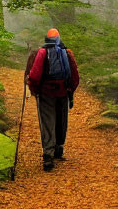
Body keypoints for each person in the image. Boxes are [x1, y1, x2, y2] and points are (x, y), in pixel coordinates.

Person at [26, 28, 79, 171]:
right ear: (59, 38)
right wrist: (70, 90)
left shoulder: (42, 52)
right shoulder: (67, 53)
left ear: (46, 38)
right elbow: (75, 76)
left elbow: (35, 75)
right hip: (62, 92)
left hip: (46, 94)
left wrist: (34, 90)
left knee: (48, 122)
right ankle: (59, 148)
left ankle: (48, 156)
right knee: (61, 120)